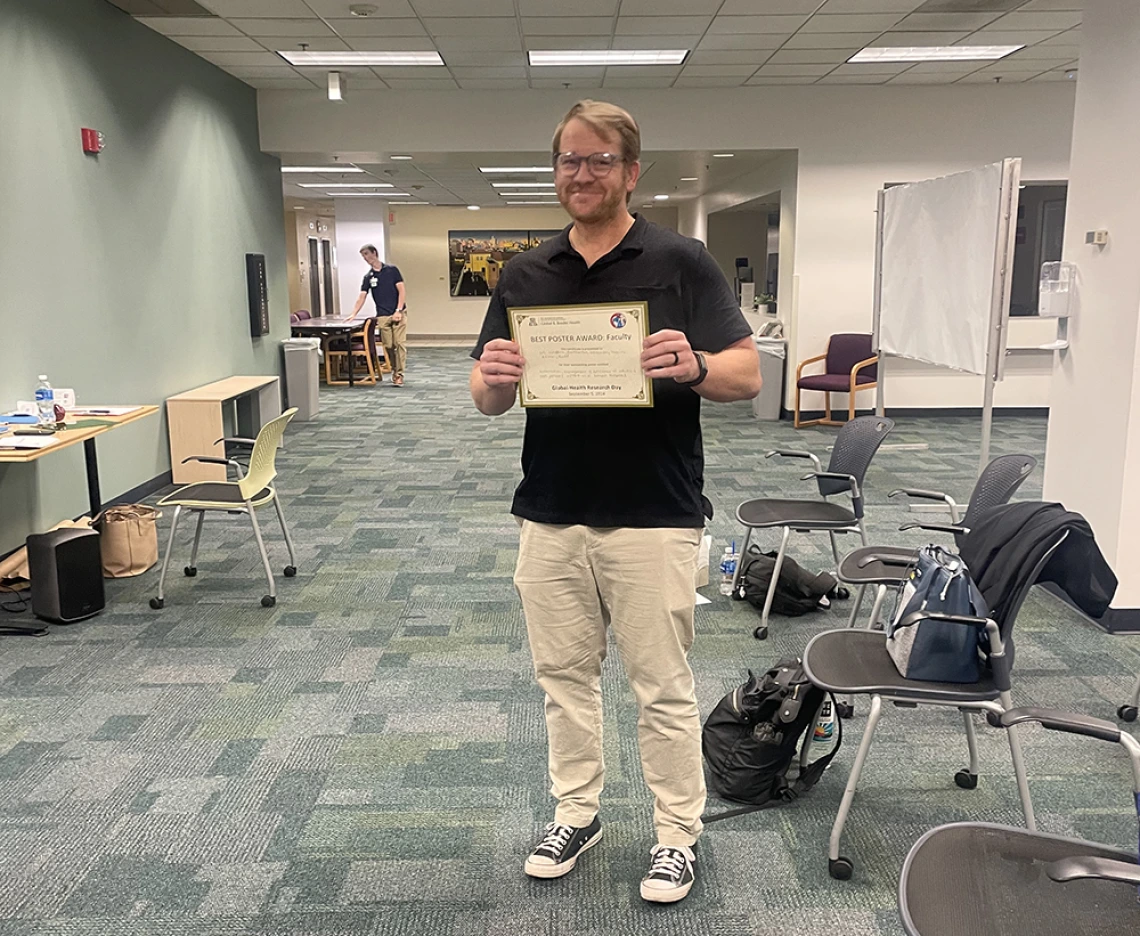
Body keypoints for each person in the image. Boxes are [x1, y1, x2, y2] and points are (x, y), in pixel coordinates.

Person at [470, 100, 761, 904]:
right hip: (552, 509)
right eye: (569, 159)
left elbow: (747, 374)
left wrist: (695, 363)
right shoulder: (525, 272)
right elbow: (487, 395)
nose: (582, 174)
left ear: (632, 172)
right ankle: (578, 811)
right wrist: (491, 381)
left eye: (599, 160)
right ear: (555, 168)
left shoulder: (681, 261)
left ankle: (676, 834)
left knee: (659, 684)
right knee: (562, 678)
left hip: (654, 509)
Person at [349, 245, 407, 386]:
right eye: (363, 256)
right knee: (388, 345)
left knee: (399, 343)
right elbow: (362, 297)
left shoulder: (392, 271)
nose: (366, 258)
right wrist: (353, 314)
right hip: (382, 315)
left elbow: (402, 291)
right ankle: (394, 369)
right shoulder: (368, 277)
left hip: (398, 312)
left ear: (374, 253)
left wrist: (398, 310)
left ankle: (399, 374)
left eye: (367, 254)